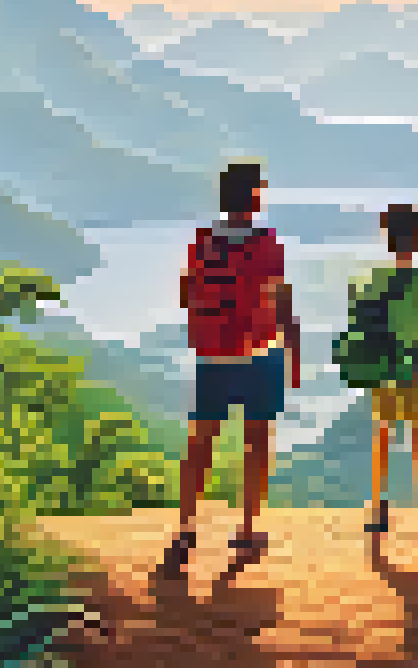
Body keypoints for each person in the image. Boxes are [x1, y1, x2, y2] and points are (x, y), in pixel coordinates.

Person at [157, 162, 298, 578]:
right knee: (256, 442)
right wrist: (292, 351)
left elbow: (186, 295)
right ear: (254, 198)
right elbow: (281, 300)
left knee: (201, 442)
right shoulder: (268, 243)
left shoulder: (202, 241)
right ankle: (249, 530)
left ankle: (186, 530)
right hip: (259, 353)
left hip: (212, 353)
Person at [352, 203, 418, 540]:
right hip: (410, 367)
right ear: (416, 237)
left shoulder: (375, 279)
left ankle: (378, 507)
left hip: (383, 368)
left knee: (383, 434)